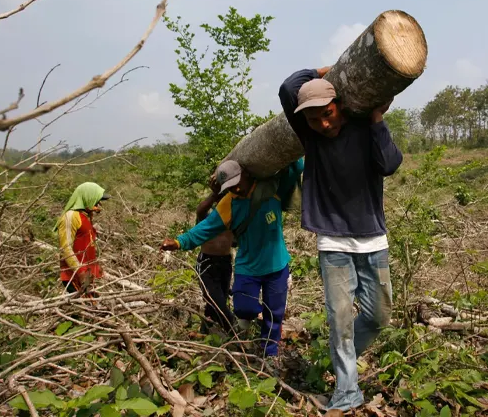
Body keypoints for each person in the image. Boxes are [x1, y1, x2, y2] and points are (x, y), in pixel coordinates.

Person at [279, 67, 403, 414]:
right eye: (315, 119)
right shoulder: (312, 137)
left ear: (340, 106)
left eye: (328, 114)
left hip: (373, 239)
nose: (324, 124)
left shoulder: (366, 127)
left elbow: (390, 164)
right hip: (333, 242)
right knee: (340, 320)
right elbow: (289, 87)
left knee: (379, 316)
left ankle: (337, 355)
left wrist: (378, 119)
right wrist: (323, 71)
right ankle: (347, 390)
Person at [160, 158, 304, 357]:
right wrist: (178, 242)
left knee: (274, 314)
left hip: (276, 265)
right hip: (248, 268)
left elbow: (297, 167)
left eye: (236, 184)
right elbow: (205, 228)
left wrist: (291, 149)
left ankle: (268, 354)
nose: (235, 190)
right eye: (229, 187)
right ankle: (243, 330)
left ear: (245, 175)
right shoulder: (229, 203)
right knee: (244, 308)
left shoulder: (271, 189)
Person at [193, 175, 237, 335]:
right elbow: (200, 210)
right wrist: (213, 194)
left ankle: (206, 333)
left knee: (219, 300)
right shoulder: (208, 217)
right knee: (215, 300)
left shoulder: (233, 217)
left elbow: (236, 241)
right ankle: (232, 332)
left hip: (225, 262)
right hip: (207, 263)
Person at [53, 182, 110, 298]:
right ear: (87, 198)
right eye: (96, 200)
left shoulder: (85, 216)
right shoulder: (70, 217)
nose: (98, 204)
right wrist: (81, 271)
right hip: (75, 277)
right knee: (87, 312)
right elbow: (66, 248)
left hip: (88, 277)